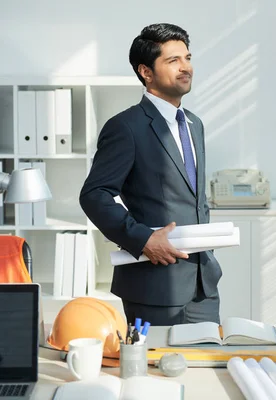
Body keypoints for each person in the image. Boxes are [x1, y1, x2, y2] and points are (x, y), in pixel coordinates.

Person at [79, 23, 222, 326]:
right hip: (154, 285)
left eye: (187, 58)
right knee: (158, 371)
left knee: (203, 368)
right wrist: (143, 239)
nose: (186, 68)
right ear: (146, 71)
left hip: (203, 285)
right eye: (173, 61)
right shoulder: (125, 127)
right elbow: (94, 195)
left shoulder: (194, 124)